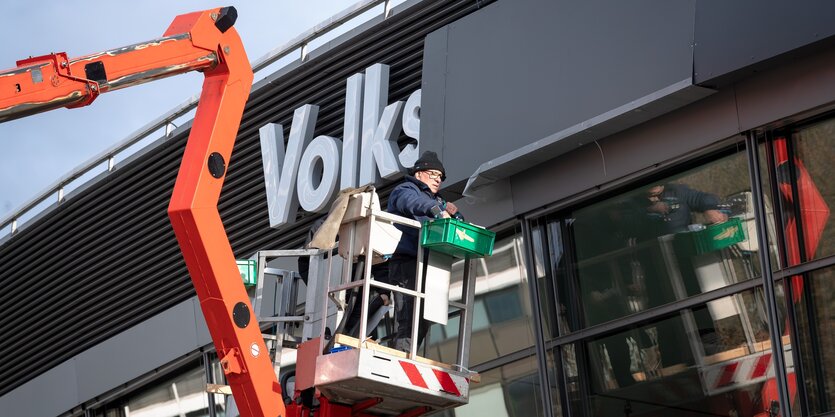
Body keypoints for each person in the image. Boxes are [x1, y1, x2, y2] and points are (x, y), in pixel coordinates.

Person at [387, 150, 459, 352]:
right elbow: (412, 203)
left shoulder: (438, 201)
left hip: (430, 263)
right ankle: (401, 358)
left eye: (441, 177)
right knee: (409, 316)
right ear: (419, 174)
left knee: (426, 317)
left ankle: (408, 355)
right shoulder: (406, 190)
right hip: (407, 261)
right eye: (433, 174)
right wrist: (436, 210)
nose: (438, 180)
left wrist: (455, 215)